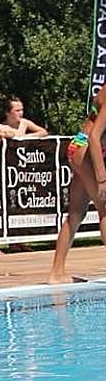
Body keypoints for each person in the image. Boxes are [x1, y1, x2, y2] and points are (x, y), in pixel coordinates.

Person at [48, 83, 106, 283]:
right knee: (104, 209)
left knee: (75, 213)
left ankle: (57, 273)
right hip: (86, 149)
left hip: (79, 147)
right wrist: (102, 178)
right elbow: (95, 137)